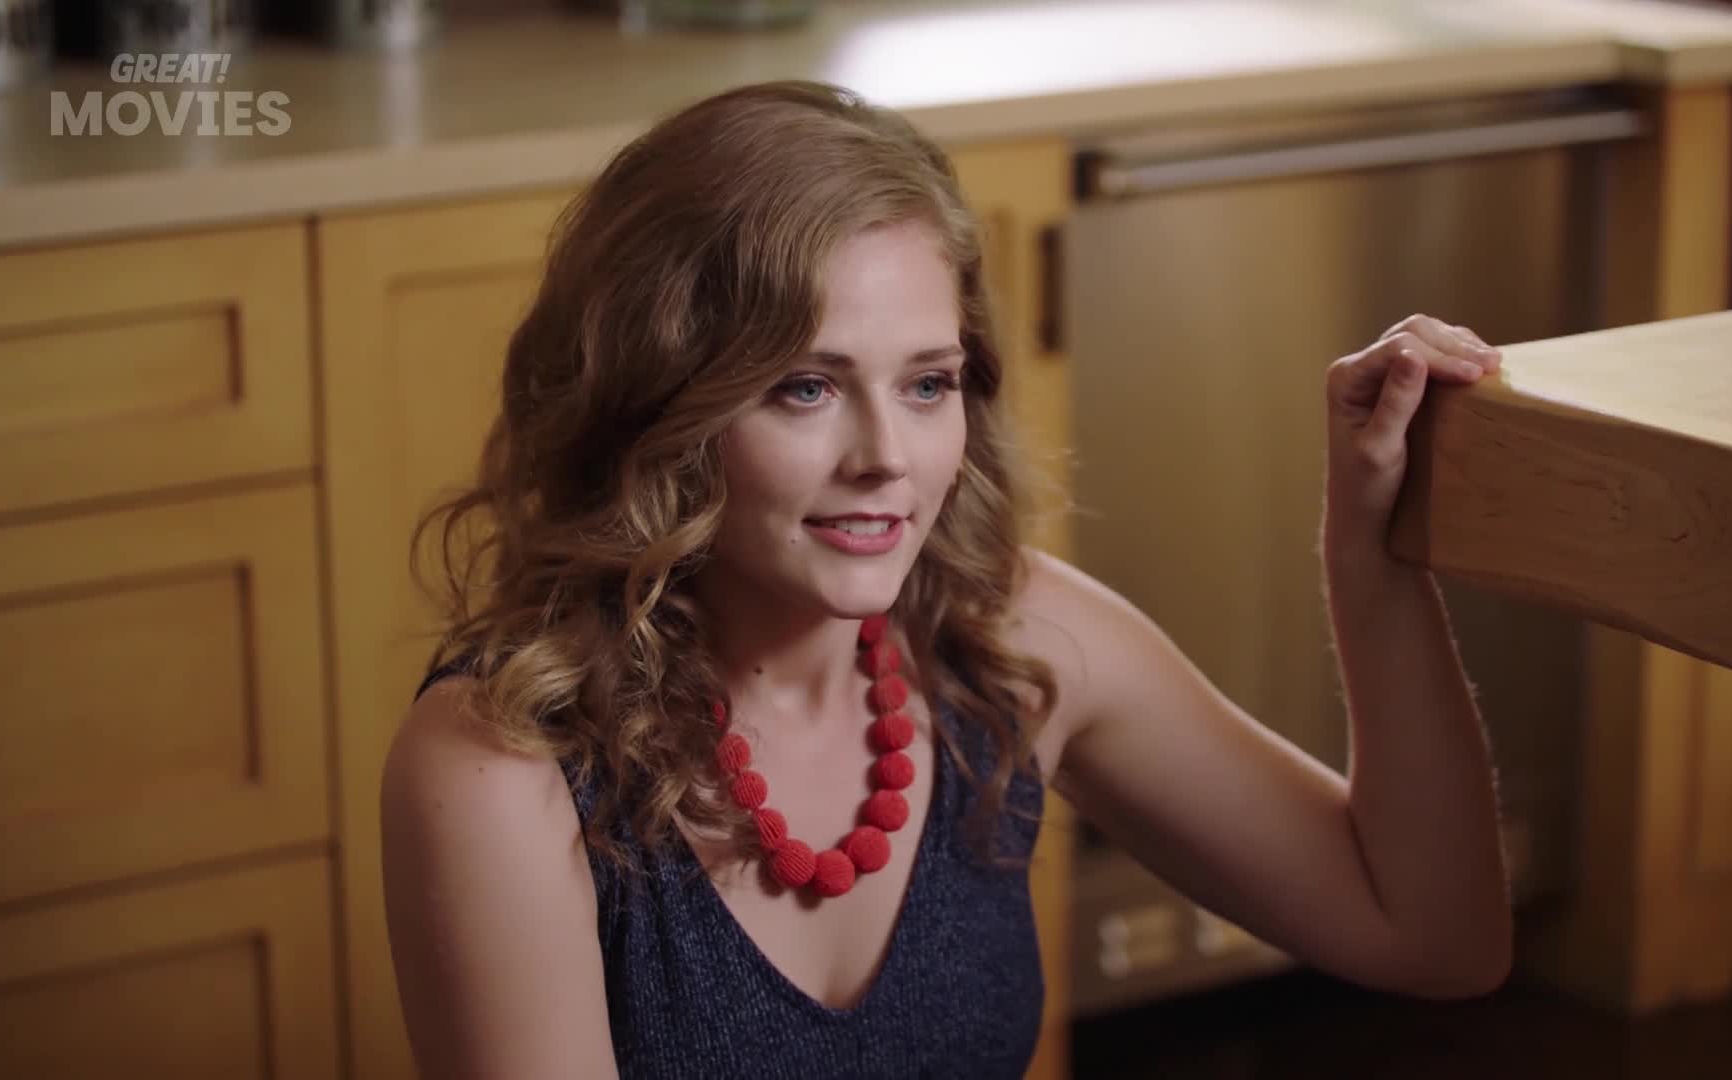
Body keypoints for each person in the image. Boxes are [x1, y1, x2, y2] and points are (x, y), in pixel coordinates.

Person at [380, 79, 1513, 1079]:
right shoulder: (505, 768)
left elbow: (1433, 938)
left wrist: (1375, 556)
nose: (887, 455)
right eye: (804, 387)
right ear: (659, 408)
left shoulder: (1012, 644)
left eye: (928, 383)